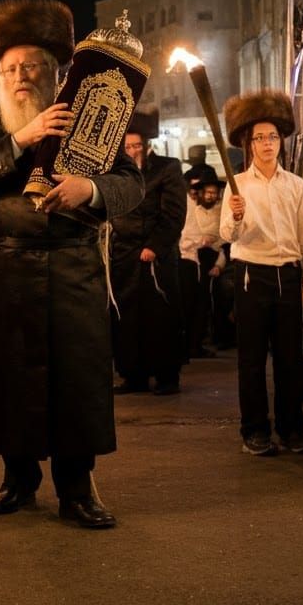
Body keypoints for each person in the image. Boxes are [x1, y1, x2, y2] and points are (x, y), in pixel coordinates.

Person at [0, 0, 144, 530]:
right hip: (4, 271)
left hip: (73, 268)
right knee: (11, 380)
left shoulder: (90, 119)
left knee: (76, 383)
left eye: (31, 65)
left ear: (56, 71)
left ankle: (77, 490)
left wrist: (90, 189)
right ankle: (17, 479)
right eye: (10, 68)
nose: (20, 76)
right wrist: (20, 141)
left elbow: (131, 186)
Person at [220, 89, 303, 457]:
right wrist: (234, 214)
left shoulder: (296, 186)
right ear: (249, 144)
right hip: (251, 276)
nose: (267, 144)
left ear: (281, 142)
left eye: (272, 137)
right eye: (259, 138)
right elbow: (226, 237)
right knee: (251, 360)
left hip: (289, 277)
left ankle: (293, 429)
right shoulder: (238, 186)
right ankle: (255, 431)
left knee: (290, 358)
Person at [110, 112, 188, 395]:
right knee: (126, 318)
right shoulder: (116, 172)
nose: (132, 152)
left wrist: (155, 246)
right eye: (127, 148)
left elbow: (174, 213)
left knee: (161, 317)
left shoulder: (167, 168)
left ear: (146, 145)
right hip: (124, 256)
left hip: (157, 256)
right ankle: (133, 374)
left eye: (136, 147)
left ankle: (168, 375)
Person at [179, 177, 228, 359]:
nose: (210, 196)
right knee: (191, 302)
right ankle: (189, 344)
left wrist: (219, 263)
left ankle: (202, 341)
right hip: (193, 256)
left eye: (213, 193)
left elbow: (224, 240)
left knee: (206, 303)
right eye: (207, 192)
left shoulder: (222, 212)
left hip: (213, 256)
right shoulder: (192, 209)